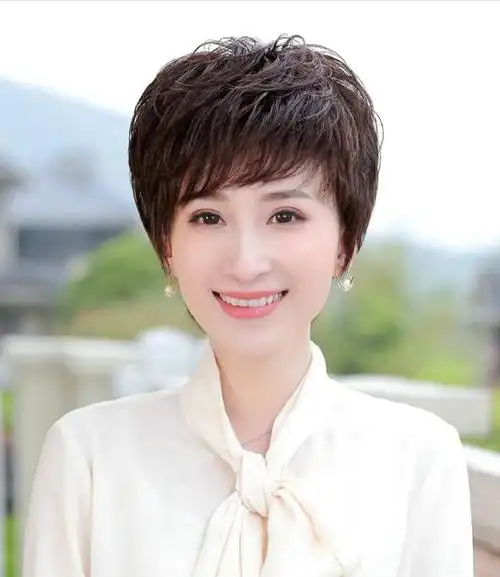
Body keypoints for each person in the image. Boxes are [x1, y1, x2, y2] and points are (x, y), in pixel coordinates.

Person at [22, 35, 473, 577]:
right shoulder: (89, 455)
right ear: (167, 246)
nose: (246, 262)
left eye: (285, 216)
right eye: (208, 217)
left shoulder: (419, 456)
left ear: (345, 242)